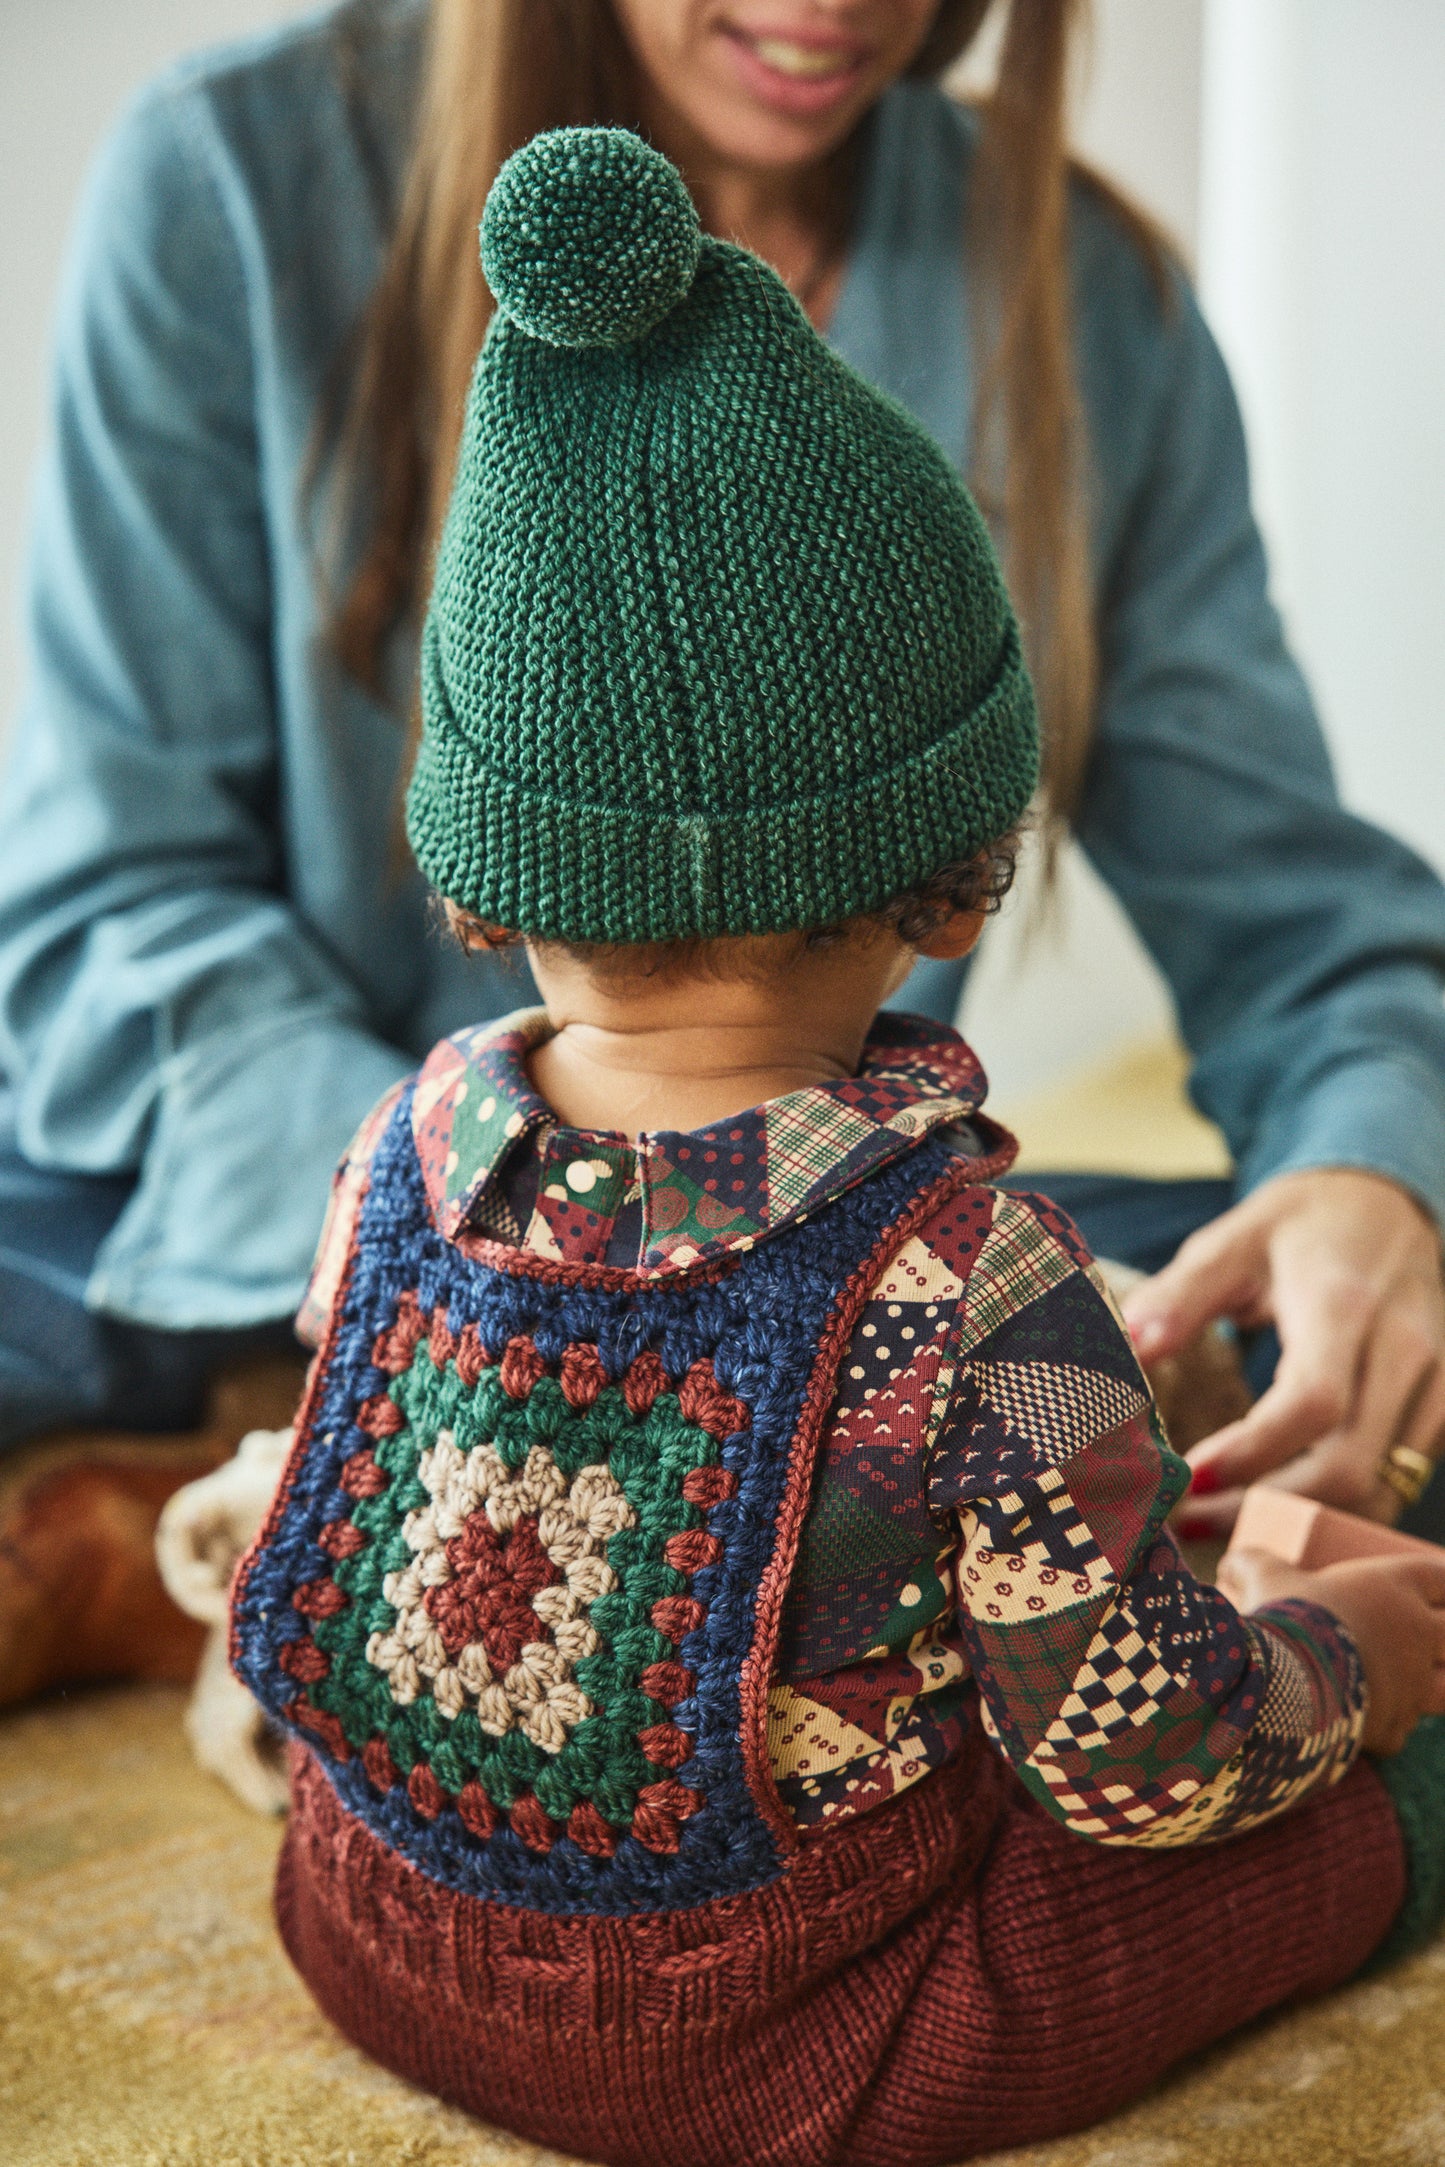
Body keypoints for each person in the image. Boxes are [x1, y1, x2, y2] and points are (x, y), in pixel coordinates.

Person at [233, 129, 1445, 2167]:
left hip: (361, 1928)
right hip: (798, 2046)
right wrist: (1343, 1659)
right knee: (1301, 1815)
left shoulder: (404, 1148)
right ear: (968, 879)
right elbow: (1133, 1761)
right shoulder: (982, 1283)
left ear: (478, 872)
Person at [2, 0, 1444, 1695]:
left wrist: (1367, 1175)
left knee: (1234, 1328)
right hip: (284, 1197)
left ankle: (304, 1514)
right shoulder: (232, 178)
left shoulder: (1085, 292)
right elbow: (115, 900)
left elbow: (1304, 927)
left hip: (797, 1229)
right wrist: (474, 1228)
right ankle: (331, 1468)